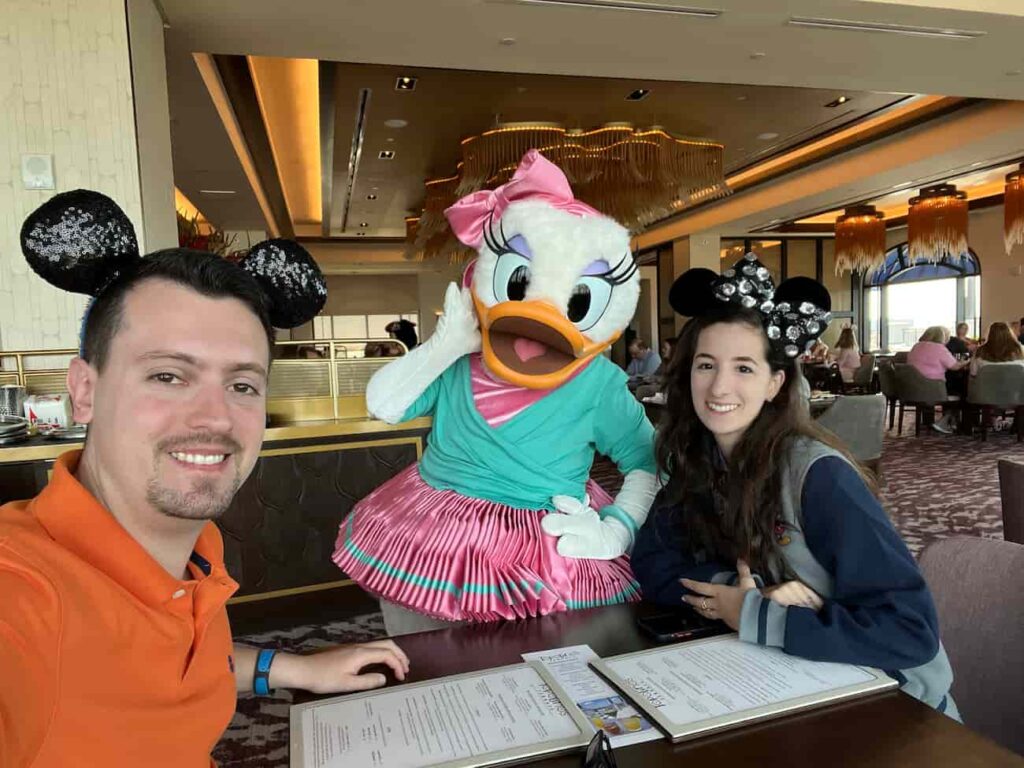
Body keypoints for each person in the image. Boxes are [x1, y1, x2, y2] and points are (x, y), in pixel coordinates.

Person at [1, 191, 409, 767]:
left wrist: (287, 668)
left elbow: (170, 660)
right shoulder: (21, 597)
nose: (216, 418)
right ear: (85, 390)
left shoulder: (191, 550)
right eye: (168, 375)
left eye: (242, 385)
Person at [334, 151, 657, 635]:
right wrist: (443, 346)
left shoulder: (599, 384)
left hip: (543, 549)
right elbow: (384, 405)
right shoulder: (459, 361)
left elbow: (646, 461)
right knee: (423, 651)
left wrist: (617, 528)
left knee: (535, 665)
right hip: (431, 530)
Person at [631, 254, 958, 719]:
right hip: (791, 686)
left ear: (774, 382)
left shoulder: (818, 476)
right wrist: (739, 593)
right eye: (706, 365)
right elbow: (652, 561)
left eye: (744, 368)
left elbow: (908, 629)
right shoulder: (698, 462)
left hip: (898, 706)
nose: (719, 386)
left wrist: (754, 614)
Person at [907, 326, 968, 433]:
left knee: (948, 386)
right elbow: (955, 366)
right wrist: (968, 361)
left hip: (913, 389)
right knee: (962, 392)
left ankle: (929, 422)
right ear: (942, 337)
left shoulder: (915, 347)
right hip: (934, 390)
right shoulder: (939, 348)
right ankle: (949, 421)